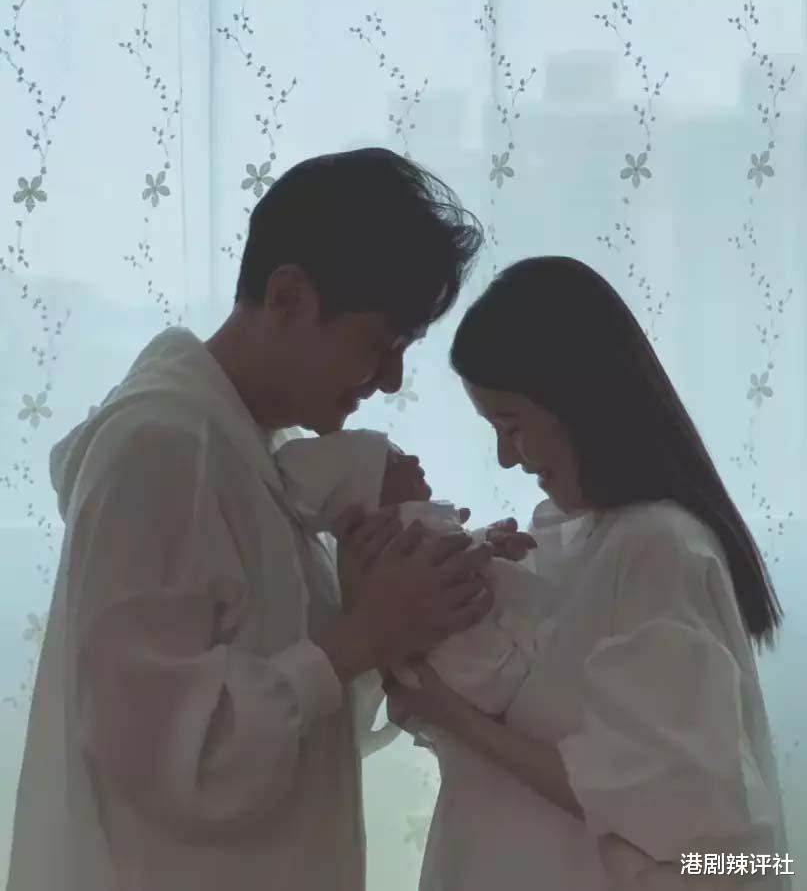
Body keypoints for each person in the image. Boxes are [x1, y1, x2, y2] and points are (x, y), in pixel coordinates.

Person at [5, 148, 533, 891]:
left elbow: (299, 738)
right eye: (377, 345)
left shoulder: (247, 455)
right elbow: (156, 755)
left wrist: (400, 600)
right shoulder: (160, 449)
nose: (390, 380)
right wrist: (361, 634)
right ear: (288, 297)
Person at [386, 256, 790, 890]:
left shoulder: (658, 547)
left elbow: (666, 810)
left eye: (511, 426)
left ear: (575, 402)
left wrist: (450, 715)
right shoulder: (565, 533)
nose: (506, 458)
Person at [273, 428, 542, 716]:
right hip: (473, 659)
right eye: (394, 459)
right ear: (369, 492)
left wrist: (487, 539)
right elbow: (452, 553)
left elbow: (454, 549)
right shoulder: (401, 530)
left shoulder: (393, 537)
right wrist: (486, 542)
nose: (412, 459)